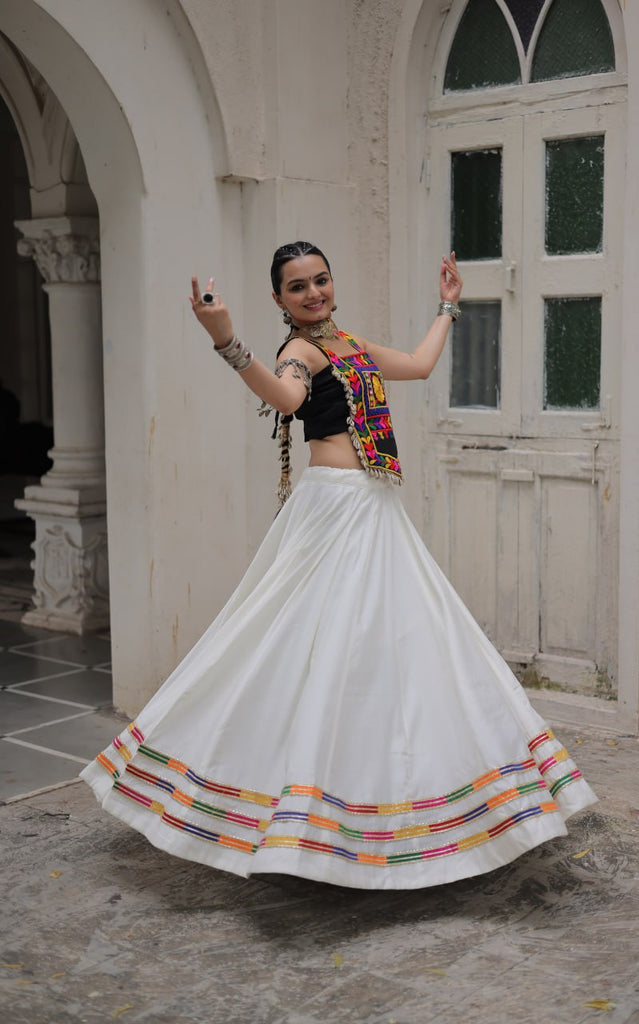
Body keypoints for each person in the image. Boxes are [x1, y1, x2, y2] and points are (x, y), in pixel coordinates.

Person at [81, 241, 596, 890]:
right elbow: (287, 400)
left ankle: (384, 798)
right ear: (280, 300)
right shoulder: (300, 350)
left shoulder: (346, 342)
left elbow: (417, 364)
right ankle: (308, 813)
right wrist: (226, 340)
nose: (313, 292)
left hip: (374, 507)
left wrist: (448, 306)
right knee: (313, 649)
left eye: (320, 279)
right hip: (336, 508)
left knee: (395, 649)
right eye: (298, 287)